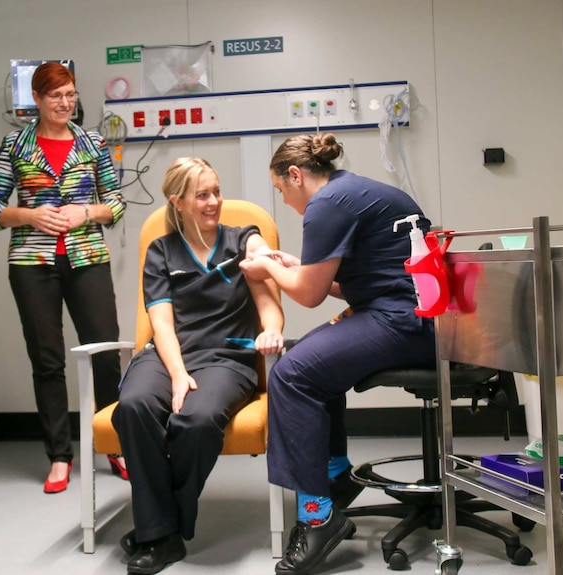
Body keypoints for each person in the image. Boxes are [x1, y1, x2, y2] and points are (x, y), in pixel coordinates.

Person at [239, 134, 436, 575]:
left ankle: (317, 518)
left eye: (283, 192)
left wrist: (269, 267)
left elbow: (307, 296)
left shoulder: (326, 203)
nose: (288, 203)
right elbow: (360, 284)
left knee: (291, 375)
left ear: (296, 175)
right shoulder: (362, 190)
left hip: (403, 322)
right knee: (309, 362)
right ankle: (335, 475)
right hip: (416, 316)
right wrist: (296, 265)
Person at [112, 157, 284, 575]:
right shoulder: (161, 251)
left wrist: (272, 330)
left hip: (227, 358)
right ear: (179, 201)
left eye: (216, 192)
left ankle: (160, 526)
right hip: (168, 354)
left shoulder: (242, 240)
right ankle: (161, 535)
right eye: (202, 195)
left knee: (197, 419)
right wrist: (177, 375)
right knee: (132, 407)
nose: (214, 202)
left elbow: (269, 304)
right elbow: (162, 324)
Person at [0, 62, 127, 494]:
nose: (64, 103)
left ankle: (115, 444)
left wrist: (87, 211)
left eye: (70, 94)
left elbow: (116, 203)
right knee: (47, 362)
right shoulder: (15, 144)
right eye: (54, 96)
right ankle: (60, 456)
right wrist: (29, 214)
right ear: (37, 100)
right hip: (32, 263)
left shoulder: (93, 142)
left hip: (87, 258)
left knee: (104, 353)